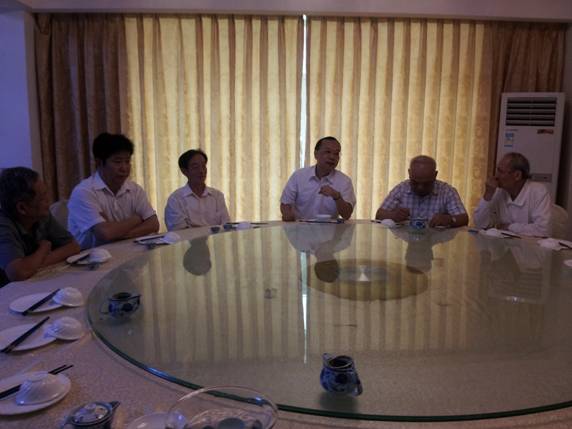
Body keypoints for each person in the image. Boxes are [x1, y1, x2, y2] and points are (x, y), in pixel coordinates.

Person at [68, 133, 159, 249]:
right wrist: (137, 219)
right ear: (99, 162)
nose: (124, 168)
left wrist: (117, 233)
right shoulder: (84, 192)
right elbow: (106, 234)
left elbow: (154, 224)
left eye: (127, 161)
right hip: (91, 256)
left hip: (126, 251)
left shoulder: (135, 189)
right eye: (117, 162)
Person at [0, 167, 80, 286]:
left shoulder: (41, 215)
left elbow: (73, 246)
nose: (49, 200)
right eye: (42, 198)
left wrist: (34, 263)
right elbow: (18, 273)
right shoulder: (3, 226)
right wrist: (43, 249)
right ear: (22, 208)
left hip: (33, 281)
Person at [375, 155, 468, 228]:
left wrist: (450, 219)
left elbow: (464, 218)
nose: (420, 188)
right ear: (409, 173)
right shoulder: (401, 189)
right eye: (415, 182)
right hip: (404, 243)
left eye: (426, 183)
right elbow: (379, 215)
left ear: (435, 175)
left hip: (437, 244)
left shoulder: (447, 191)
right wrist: (393, 215)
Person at [473, 152, 552, 237]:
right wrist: (488, 194)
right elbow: (480, 224)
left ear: (517, 175)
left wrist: (509, 227)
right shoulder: (498, 191)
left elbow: (543, 230)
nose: (496, 176)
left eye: (500, 172)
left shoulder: (538, 191)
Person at [280, 136, 356, 221]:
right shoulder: (299, 176)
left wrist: (337, 197)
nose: (332, 157)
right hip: (301, 228)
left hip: (330, 229)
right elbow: (285, 203)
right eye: (327, 152)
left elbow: (347, 215)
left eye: (336, 153)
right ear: (316, 154)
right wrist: (287, 214)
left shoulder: (344, 181)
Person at [164, 149, 230, 230]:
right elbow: (179, 231)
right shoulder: (176, 199)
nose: (201, 171)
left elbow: (226, 227)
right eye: (195, 167)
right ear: (184, 171)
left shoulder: (217, 196)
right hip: (187, 239)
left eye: (203, 166)